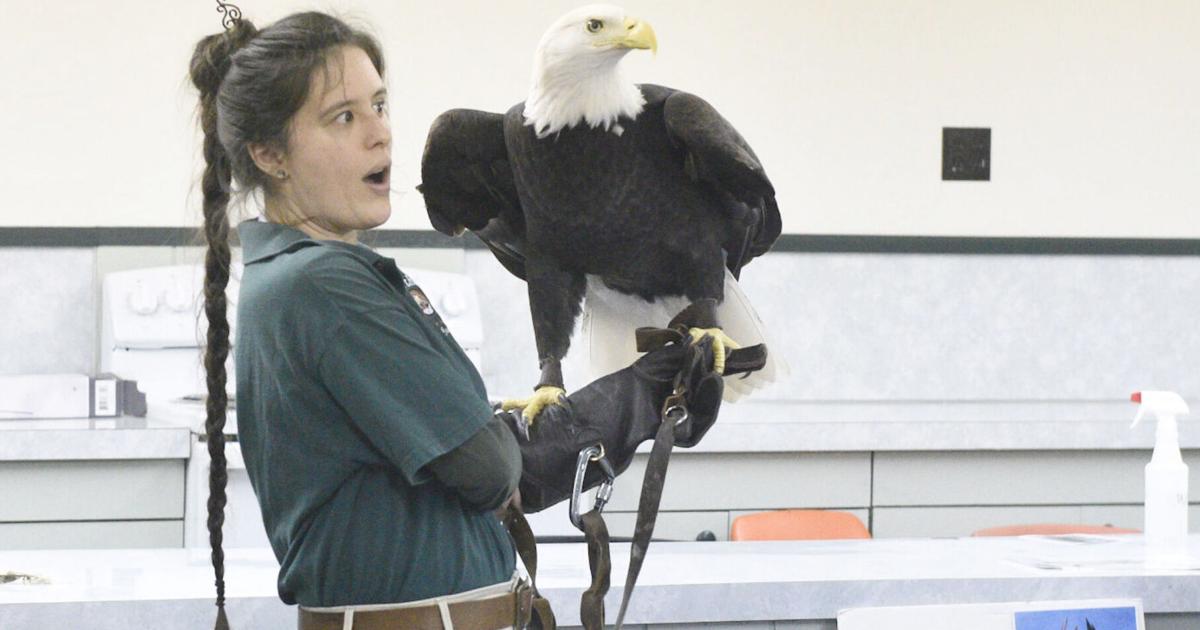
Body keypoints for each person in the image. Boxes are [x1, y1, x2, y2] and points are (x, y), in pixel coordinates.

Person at [188, 11, 528, 630]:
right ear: (270, 154)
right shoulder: (324, 284)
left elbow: (481, 458)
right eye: (343, 117)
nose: (381, 135)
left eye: (380, 105)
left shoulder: (303, 275)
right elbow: (488, 470)